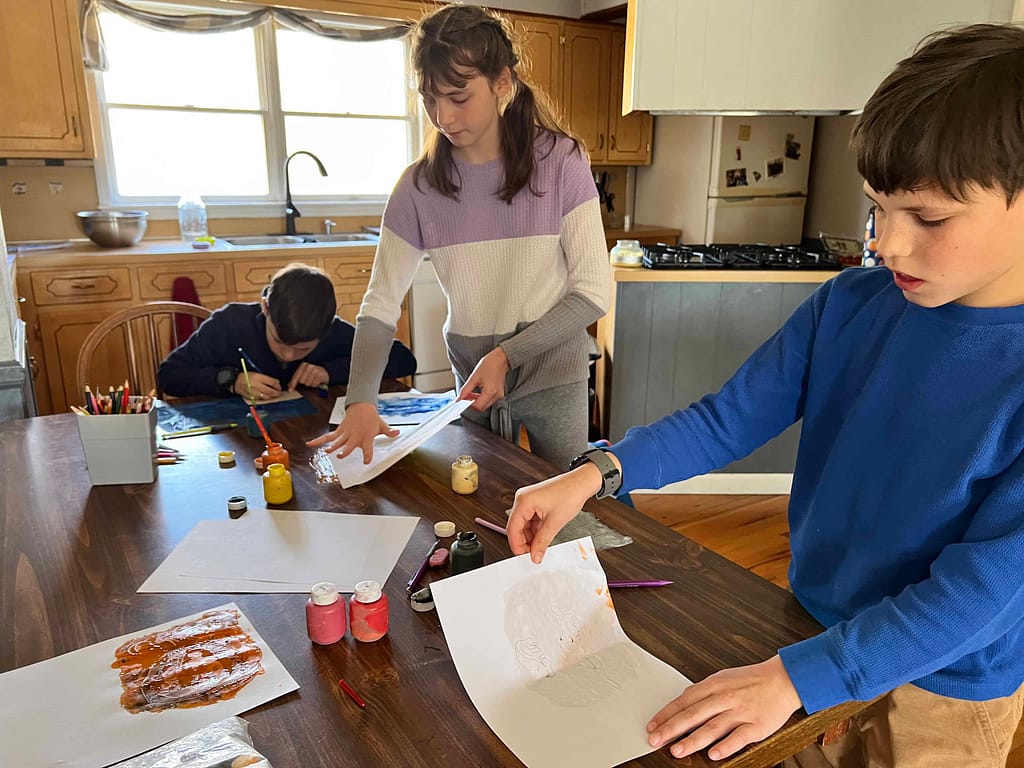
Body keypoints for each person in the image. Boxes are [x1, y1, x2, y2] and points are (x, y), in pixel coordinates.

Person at [507, 23, 1024, 768]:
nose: (886, 243)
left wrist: (798, 678)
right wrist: (598, 472)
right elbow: (728, 419)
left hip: (943, 686)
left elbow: (983, 591)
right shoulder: (849, 304)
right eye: (877, 208)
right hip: (808, 627)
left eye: (929, 217)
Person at [308, 4, 611, 469]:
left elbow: (592, 293)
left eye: (458, 96)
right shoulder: (417, 188)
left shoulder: (562, 161)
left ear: (501, 82)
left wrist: (505, 356)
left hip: (552, 369)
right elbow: (380, 304)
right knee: (478, 494)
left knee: (568, 496)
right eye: (430, 99)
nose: (443, 117)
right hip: (473, 379)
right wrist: (361, 400)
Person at [157, 262, 416, 398]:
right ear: (265, 308)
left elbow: (403, 359)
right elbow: (169, 376)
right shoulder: (229, 324)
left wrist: (330, 371)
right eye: (279, 342)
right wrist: (231, 381)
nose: (288, 355)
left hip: (307, 439)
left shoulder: (331, 330)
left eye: (303, 349)